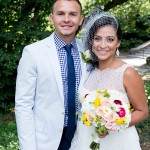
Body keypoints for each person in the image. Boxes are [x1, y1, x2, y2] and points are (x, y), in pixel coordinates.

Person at [70, 10, 149, 150]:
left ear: (118, 42)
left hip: (118, 143)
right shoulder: (87, 70)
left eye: (110, 39)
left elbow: (142, 111)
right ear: (91, 41)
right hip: (84, 140)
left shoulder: (128, 73)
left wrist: (113, 123)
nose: (102, 45)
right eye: (97, 38)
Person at [15, 0, 84, 150]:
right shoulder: (32, 52)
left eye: (72, 14)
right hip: (46, 141)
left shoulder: (90, 50)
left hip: (82, 138)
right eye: (60, 14)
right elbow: (23, 105)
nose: (66, 19)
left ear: (81, 19)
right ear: (52, 18)